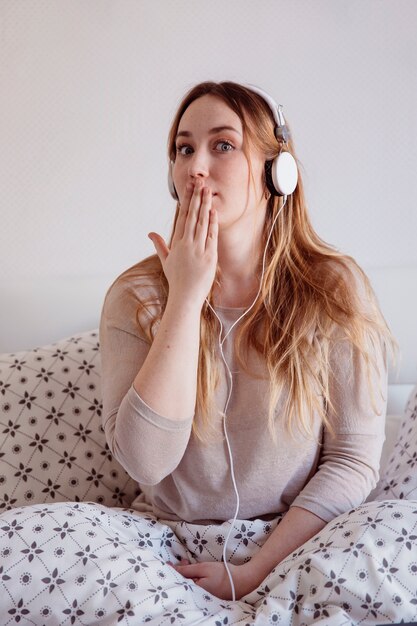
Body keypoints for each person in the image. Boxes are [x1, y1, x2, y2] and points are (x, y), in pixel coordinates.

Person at [99, 80, 392, 601]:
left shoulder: (335, 289)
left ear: (277, 171)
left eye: (223, 145)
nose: (195, 167)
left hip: (298, 538)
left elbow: (352, 460)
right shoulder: (136, 296)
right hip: (169, 546)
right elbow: (145, 462)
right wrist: (186, 298)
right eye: (184, 149)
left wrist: (255, 571)